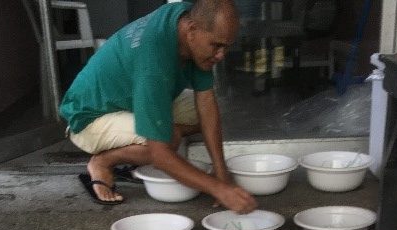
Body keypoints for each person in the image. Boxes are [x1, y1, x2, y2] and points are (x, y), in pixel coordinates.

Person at [60, 0, 257, 212]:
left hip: (131, 98)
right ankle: (102, 162)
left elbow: (206, 102)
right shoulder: (154, 60)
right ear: (191, 30)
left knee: (210, 111)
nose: (221, 55)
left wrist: (221, 172)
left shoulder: (187, 18)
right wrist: (220, 190)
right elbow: (160, 157)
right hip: (89, 117)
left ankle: (149, 129)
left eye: (226, 47)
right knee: (168, 139)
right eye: (216, 45)